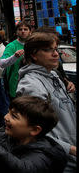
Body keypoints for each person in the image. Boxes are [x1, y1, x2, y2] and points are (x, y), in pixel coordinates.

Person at [16, 32, 76, 172]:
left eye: (55, 49)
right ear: (33, 55)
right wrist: (71, 149)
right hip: (59, 160)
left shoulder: (54, 75)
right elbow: (35, 131)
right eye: (47, 50)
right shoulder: (31, 85)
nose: (55, 54)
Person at [0, 21, 32, 100]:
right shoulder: (11, 46)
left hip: (33, 86)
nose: (23, 31)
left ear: (30, 32)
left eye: (25, 29)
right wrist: (15, 57)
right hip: (16, 86)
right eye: (20, 29)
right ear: (16, 32)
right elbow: (2, 63)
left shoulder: (34, 44)